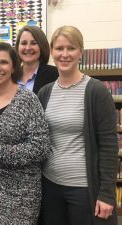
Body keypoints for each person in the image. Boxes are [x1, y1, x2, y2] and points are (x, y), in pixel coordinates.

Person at [37, 25, 118, 225]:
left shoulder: (96, 91)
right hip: (51, 186)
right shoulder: (45, 93)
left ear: (80, 51)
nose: (64, 54)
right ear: (52, 52)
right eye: (59, 48)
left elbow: (109, 145)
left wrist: (107, 194)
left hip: (83, 189)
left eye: (71, 48)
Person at [0, 42, 50, 224]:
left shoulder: (28, 100)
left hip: (18, 197)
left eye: (4, 62)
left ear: (13, 67)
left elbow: (40, 148)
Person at [15, 25, 58, 94]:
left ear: (42, 46)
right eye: (24, 43)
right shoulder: (11, 76)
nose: (28, 48)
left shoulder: (55, 75)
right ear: (17, 47)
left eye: (33, 43)